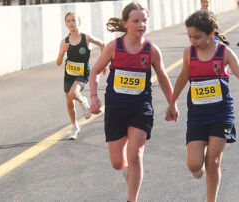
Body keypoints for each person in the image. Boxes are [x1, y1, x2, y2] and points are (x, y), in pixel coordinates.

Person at [165, 10, 239, 202]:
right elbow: (184, 77)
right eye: (189, 36)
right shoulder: (188, 53)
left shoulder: (224, 53)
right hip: (197, 115)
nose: (193, 40)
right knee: (194, 164)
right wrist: (173, 102)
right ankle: (198, 170)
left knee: (213, 160)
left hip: (221, 113)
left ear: (211, 34)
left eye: (197, 37)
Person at [89, 2, 173, 202]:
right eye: (136, 21)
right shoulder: (113, 47)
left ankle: (131, 199)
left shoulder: (152, 50)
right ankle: (126, 170)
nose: (141, 24)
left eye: (144, 20)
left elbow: (162, 77)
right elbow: (94, 72)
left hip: (140, 108)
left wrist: (172, 103)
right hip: (116, 109)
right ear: (125, 23)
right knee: (118, 162)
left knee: (135, 154)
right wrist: (93, 96)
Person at [56, 12, 104, 140]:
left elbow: (103, 44)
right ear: (65, 24)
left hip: (82, 73)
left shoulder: (86, 38)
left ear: (79, 22)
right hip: (69, 74)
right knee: (69, 102)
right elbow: (59, 62)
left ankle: (84, 101)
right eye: (68, 21)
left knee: (74, 93)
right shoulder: (64, 41)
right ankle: (75, 127)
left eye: (73, 20)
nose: (71, 23)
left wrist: (103, 64)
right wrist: (61, 52)